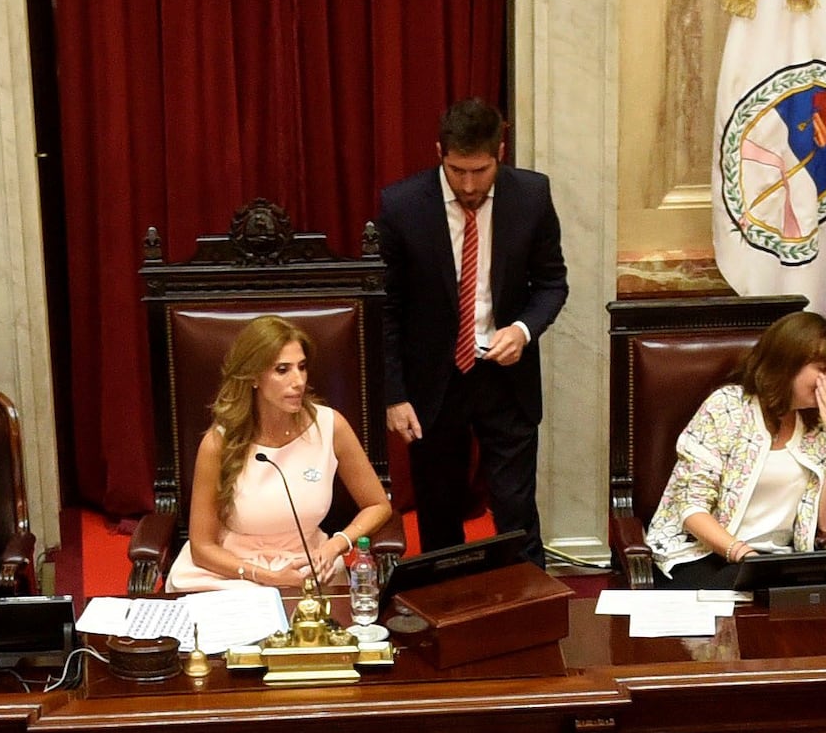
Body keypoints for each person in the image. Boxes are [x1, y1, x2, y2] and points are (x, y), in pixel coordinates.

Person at [373, 96, 567, 552]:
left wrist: (521, 330)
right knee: (438, 515)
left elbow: (552, 284)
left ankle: (528, 612)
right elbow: (387, 306)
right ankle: (449, 614)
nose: (468, 183)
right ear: (439, 152)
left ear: (500, 154)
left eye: (479, 171)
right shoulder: (402, 206)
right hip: (433, 383)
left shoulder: (531, 196)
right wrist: (395, 394)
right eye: (457, 170)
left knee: (516, 512)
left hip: (506, 378)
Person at [167, 317, 391, 597]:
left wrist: (337, 544)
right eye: (282, 370)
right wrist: (265, 577)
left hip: (307, 570)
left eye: (302, 367)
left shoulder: (330, 426)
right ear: (253, 377)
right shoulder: (218, 443)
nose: (298, 381)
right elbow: (202, 548)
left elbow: (378, 505)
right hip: (231, 574)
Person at [644, 310, 826, 585]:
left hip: (777, 562)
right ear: (788, 365)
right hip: (704, 556)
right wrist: (746, 556)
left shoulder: (818, 426)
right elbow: (691, 509)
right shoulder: (727, 407)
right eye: (824, 369)